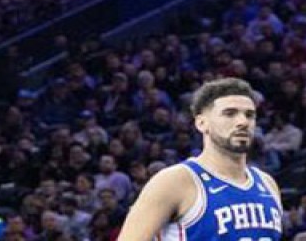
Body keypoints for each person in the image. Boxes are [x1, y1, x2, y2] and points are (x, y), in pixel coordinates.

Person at [118, 78, 284, 240]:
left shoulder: (267, 184)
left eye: (249, 115)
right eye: (230, 114)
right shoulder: (175, 181)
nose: (243, 122)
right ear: (202, 123)